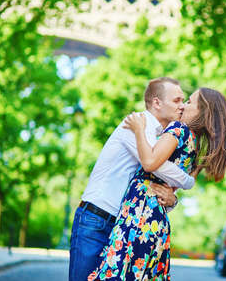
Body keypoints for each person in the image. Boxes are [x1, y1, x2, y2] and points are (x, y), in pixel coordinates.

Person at [88, 87, 226, 280]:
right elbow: (175, 185)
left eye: (190, 102)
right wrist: (173, 199)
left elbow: (150, 162)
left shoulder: (178, 129)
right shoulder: (195, 145)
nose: (183, 106)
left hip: (139, 215)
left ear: (202, 112)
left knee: (117, 274)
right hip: (155, 220)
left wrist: (139, 130)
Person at [69, 77, 197, 281]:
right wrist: (189, 182)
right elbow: (155, 165)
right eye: (176, 100)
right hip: (97, 220)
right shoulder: (136, 124)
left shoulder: (162, 137)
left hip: (122, 224)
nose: (182, 106)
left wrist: (173, 200)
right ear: (157, 102)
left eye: (183, 100)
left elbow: (153, 185)